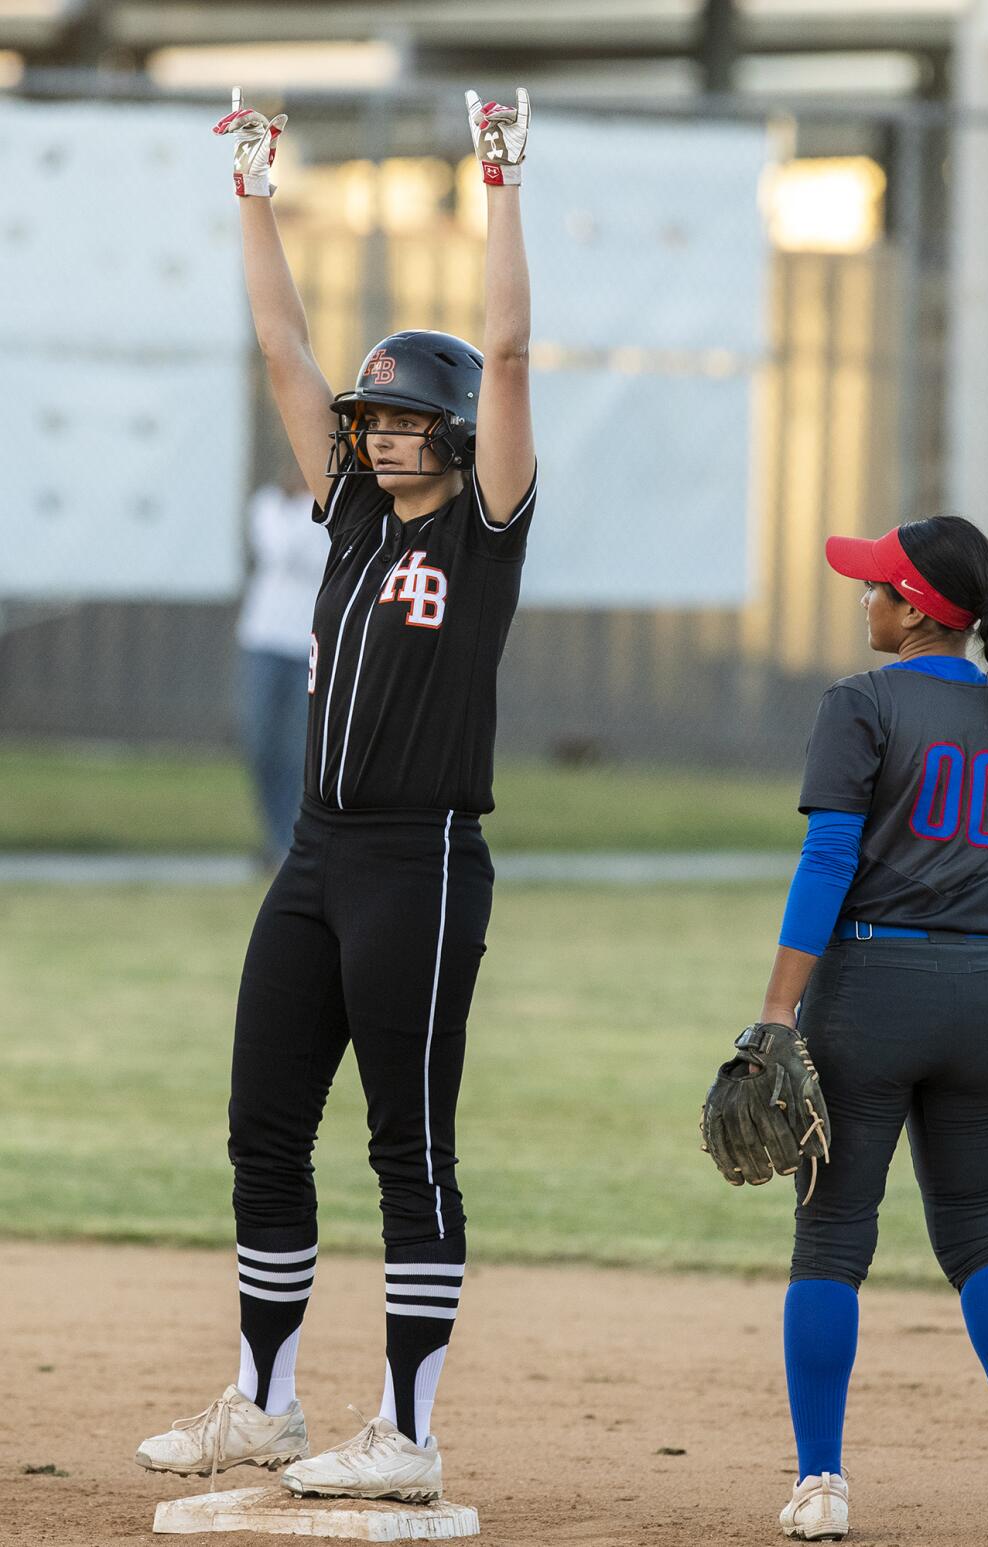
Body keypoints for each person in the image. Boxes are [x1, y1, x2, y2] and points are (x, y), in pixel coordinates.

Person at [135, 86, 536, 1503]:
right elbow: (280, 343)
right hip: (318, 853)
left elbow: (506, 346)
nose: (378, 434)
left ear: (455, 433)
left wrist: (499, 179)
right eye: (371, 417)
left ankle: (409, 1432)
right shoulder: (354, 513)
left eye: (406, 420)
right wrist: (252, 190)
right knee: (263, 1118)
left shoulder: (486, 529)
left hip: (423, 859)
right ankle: (265, 1400)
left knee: (406, 1142)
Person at [739, 518, 988, 1540]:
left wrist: (776, 1009)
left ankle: (823, 1483)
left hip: (871, 991)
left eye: (877, 585)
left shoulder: (863, 702)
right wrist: (986, 990)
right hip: (986, 995)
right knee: (981, 1231)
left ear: (918, 610)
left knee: (833, 1238)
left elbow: (828, 864)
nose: (864, 599)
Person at [235, 460, 329, 868]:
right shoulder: (268, 505)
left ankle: (296, 841)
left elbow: (320, 561)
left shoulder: (336, 510)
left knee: (301, 748)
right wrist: (302, 510)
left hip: (311, 643)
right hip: (264, 640)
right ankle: (275, 835)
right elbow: (282, 552)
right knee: (260, 741)